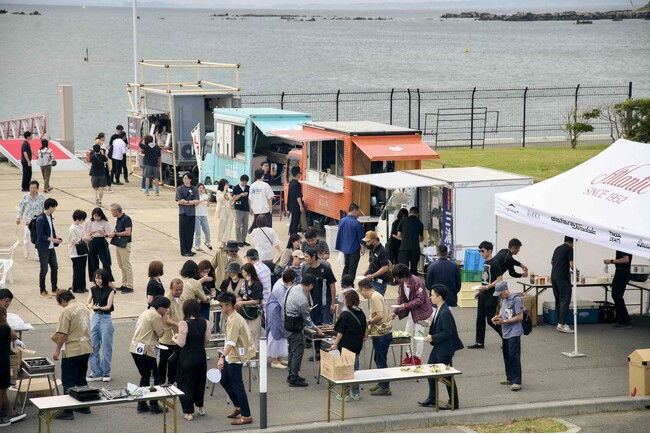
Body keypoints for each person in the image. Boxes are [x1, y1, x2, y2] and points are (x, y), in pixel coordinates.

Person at [418, 284, 463, 409]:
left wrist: (432, 337)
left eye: (432, 295)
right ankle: (432, 397)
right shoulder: (439, 309)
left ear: (439, 297)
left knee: (447, 376)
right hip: (438, 347)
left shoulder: (445, 312)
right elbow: (440, 325)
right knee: (430, 371)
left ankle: (454, 402)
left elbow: (447, 332)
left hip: (444, 349)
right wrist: (430, 324)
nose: (430, 297)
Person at [52, 290, 93, 420]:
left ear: (63, 300)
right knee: (81, 378)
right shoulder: (84, 308)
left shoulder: (67, 311)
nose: (62, 306)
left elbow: (62, 333)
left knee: (68, 380)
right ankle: (84, 405)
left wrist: (57, 350)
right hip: (85, 347)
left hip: (72, 349)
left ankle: (67, 411)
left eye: (61, 304)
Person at [217, 292, 256, 426]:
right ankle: (238, 406)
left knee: (238, 386)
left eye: (221, 305)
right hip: (231, 355)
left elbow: (231, 342)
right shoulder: (233, 317)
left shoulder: (234, 320)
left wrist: (221, 357)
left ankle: (246, 415)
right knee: (224, 379)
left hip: (235, 357)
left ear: (229, 306)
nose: (220, 308)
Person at [129, 295, 169, 414]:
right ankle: (153, 404)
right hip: (146, 350)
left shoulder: (145, 312)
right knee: (153, 378)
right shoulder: (156, 316)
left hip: (135, 348)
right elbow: (161, 333)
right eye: (166, 309)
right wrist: (163, 320)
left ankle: (141, 403)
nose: (166, 311)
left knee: (145, 377)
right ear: (160, 307)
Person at [173, 299, 210, 421]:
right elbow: (206, 340)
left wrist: (175, 339)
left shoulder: (184, 323)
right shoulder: (206, 322)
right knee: (200, 382)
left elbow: (182, 343)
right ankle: (200, 407)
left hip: (187, 358)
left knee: (187, 384)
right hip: (200, 356)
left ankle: (188, 412)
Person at [283, 274, 322, 387]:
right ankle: (294, 378)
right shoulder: (302, 299)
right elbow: (307, 318)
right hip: (294, 326)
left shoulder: (293, 288)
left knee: (291, 350)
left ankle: (291, 374)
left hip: (286, 322)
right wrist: (316, 328)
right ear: (311, 285)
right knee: (298, 352)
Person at [391, 264, 433, 366]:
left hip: (422, 313)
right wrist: (395, 312)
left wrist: (405, 306)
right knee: (407, 333)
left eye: (397, 277)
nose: (396, 280)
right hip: (412, 312)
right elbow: (400, 298)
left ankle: (417, 358)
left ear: (403, 275)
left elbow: (420, 300)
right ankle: (409, 356)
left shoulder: (417, 282)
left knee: (419, 336)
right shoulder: (402, 283)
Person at [358, 278, 393, 396]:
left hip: (381, 334)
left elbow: (379, 315)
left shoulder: (374, 297)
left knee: (381, 360)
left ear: (363, 289)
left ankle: (385, 386)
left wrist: (369, 322)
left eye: (360, 291)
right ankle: (381, 383)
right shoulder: (376, 295)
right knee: (379, 359)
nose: (360, 294)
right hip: (382, 333)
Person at [303, 248, 337, 359]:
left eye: (307, 256)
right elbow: (306, 289)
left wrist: (332, 303)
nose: (305, 259)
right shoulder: (307, 270)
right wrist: (307, 304)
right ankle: (318, 352)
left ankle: (328, 351)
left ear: (313, 257)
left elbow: (332, 286)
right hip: (314, 306)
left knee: (327, 328)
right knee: (316, 328)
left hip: (325, 305)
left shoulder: (325, 269)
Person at [332, 289, 366, 402]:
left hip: (346, 347)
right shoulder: (361, 313)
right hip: (357, 346)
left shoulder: (345, 314)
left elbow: (340, 332)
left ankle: (345, 394)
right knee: (355, 370)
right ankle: (355, 393)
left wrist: (335, 344)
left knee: (346, 370)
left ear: (347, 301)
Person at [468, 241, 503, 349]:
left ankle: (506, 336)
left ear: (489, 251)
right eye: (480, 251)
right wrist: (480, 291)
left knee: (491, 320)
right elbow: (485, 280)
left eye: (482, 251)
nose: (481, 253)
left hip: (491, 295)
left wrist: (487, 288)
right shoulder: (485, 262)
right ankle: (479, 342)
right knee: (480, 318)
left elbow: (500, 279)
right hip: (484, 294)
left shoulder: (495, 263)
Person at [491, 281, 524, 392]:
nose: (500, 296)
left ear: (506, 290)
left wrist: (505, 321)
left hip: (514, 331)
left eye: (501, 293)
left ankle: (517, 381)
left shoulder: (516, 299)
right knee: (506, 355)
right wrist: (497, 317)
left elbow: (520, 316)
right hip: (505, 331)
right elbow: (502, 312)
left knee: (514, 355)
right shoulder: (504, 299)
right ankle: (509, 377)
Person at [86, 269, 116, 382]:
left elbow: (108, 306)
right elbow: (88, 303)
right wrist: (91, 306)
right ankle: (96, 372)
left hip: (106, 318)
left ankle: (106, 372)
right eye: (96, 278)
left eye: (100, 278)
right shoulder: (92, 289)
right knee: (93, 346)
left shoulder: (110, 290)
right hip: (95, 317)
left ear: (105, 279)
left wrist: (98, 307)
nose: (98, 280)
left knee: (106, 347)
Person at [0, 306, 27, 427]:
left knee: (3, 391)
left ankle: (10, 412)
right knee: (1, 390)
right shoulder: (4, 328)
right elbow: (14, 336)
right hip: (2, 364)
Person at [266, 269, 296, 369]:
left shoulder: (282, 282)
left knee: (282, 333)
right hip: (275, 311)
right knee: (275, 334)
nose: (293, 284)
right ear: (287, 280)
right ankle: (274, 360)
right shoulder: (279, 288)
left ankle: (279, 358)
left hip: (279, 310)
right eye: (292, 282)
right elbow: (284, 304)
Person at [36, 198, 63, 298]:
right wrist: (52, 239)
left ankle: (54, 288)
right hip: (43, 247)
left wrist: (55, 239)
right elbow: (40, 235)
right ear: (50, 207)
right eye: (54, 206)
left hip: (51, 247)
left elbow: (52, 229)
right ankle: (42, 289)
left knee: (55, 267)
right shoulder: (41, 219)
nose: (55, 209)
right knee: (44, 269)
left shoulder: (50, 216)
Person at [158, 279, 183, 385]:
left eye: (181, 290)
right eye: (176, 290)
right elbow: (165, 319)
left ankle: (172, 380)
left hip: (178, 337)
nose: (179, 292)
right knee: (164, 361)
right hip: (167, 337)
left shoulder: (183, 298)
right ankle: (160, 381)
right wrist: (178, 324)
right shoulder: (166, 300)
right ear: (171, 288)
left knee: (175, 361)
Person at [335, 203, 366, 280]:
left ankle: (344, 282)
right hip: (354, 249)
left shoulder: (342, 221)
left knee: (346, 266)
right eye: (358, 211)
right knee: (352, 268)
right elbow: (361, 237)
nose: (359, 213)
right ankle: (349, 283)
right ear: (354, 211)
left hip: (345, 248)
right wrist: (362, 248)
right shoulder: (356, 223)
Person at [551, 236, 575, 334]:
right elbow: (572, 265)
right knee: (565, 300)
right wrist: (575, 271)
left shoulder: (557, 248)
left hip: (554, 277)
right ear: (571, 241)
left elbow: (552, 262)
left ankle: (559, 322)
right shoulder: (570, 249)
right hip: (563, 278)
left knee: (558, 300)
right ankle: (562, 324)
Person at [16, 180, 45, 260]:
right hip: (28, 221)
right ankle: (26, 251)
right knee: (27, 238)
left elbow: (44, 209)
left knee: (38, 239)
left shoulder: (42, 197)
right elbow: (21, 208)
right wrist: (19, 217)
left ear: (37, 188)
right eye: (31, 188)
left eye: (34, 188)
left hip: (38, 221)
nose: (32, 189)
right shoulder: (25, 197)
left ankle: (38, 255)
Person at [108, 203, 134, 293]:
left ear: (117, 211)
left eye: (112, 211)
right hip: (119, 244)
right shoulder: (119, 219)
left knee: (126, 265)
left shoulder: (126, 219)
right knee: (121, 265)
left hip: (125, 244)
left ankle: (130, 285)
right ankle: (124, 283)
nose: (111, 212)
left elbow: (128, 232)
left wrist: (115, 234)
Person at [85, 207, 113, 286]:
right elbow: (85, 232)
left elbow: (109, 234)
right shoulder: (89, 221)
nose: (97, 218)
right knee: (93, 261)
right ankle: (95, 279)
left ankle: (108, 279)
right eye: (95, 216)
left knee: (105, 261)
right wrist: (91, 232)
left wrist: (104, 233)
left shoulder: (104, 222)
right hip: (92, 241)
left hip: (101, 241)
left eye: (98, 216)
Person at [237, 263, 263, 349]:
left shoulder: (257, 284)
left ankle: (255, 355)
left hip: (254, 312)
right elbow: (241, 296)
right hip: (244, 312)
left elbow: (256, 300)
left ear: (249, 272)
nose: (243, 274)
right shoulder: (244, 282)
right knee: (245, 333)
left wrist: (243, 303)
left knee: (254, 334)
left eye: (244, 272)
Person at [605, 250, 633, 328]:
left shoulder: (624, 247)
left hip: (622, 273)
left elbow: (626, 259)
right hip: (621, 272)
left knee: (616, 296)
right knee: (617, 296)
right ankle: (624, 318)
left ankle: (625, 320)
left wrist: (611, 261)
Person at [176, 173, 201, 256]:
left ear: (190, 179)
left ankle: (189, 248)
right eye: (184, 178)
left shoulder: (194, 189)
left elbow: (197, 201)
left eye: (186, 178)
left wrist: (187, 202)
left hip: (192, 213)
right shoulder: (180, 189)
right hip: (183, 213)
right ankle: (184, 250)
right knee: (183, 233)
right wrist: (190, 202)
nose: (185, 180)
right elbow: (179, 201)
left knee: (190, 232)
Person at [67, 210, 91, 294]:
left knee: (82, 270)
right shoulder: (72, 228)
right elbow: (73, 240)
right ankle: (76, 287)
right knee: (77, 271)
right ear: (78, 218)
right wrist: (84, 238)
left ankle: (82, 286)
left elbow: (84, 235)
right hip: (75, 253)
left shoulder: (80, 227)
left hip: (83, 251)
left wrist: (88, 236)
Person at [397, 206, 424, 275]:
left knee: (404, 268)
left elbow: (399, 234)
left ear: (409, 212)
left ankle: (404, 284)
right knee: (414, 268)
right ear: (417, 214)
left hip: (404, 248)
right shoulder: (420, 223)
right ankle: (413, 284)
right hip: (415, 248)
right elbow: (421, 238)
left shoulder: (403, 221)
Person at [362, 230, 391, 296]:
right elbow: (371, 263)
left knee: (377, 300)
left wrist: (372, 275)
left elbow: (385, 267)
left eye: (368, 241)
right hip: (372, 280)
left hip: (379, 281)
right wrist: (366, 271)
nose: (367, 244)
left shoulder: (382, 251)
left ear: (374, 241)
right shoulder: (372, 250)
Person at [248, 168, 274, 232]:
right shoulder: (265, 185)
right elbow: (269, 197)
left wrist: (250, 208)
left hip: (256, 209)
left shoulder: (252, 186)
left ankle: (253, 232)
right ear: (262, 176)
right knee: (267, 226)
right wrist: (270, 207)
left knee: (257, 226)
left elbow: (250, 198)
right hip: (265, 209)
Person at [231, 174, 251, 247]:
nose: (244, 184)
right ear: (241, 181)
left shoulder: (248, 188)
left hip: (246, 208)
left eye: (245, 182)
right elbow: (233, 198)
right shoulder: (236, 188)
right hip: (238, 208)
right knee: (238, 225)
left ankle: (243, 240)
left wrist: (250, 208)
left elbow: (249, 199)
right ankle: (238, 240)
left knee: (245, 225)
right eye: (243, 182)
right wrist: (240, 195)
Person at [215, 178, 234, 247]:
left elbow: (230, 202)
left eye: (227, 184)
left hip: (229, 209)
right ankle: (222, 242)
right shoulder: (219, 192)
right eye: (226, 184)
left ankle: (224, 240)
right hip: (222, 210)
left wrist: (233, 199)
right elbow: (220, 199)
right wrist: (224, 191)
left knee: (229, 225)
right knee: (222, 226)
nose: (227, 186)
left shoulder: (228, 192)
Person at [194, 183, 212, 252]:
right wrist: (201, 200)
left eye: (202, 188)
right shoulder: (195, 196)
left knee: (207, 230)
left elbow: (208, 205)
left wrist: (207, 201)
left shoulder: (205, 195)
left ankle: (207, 242)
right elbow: (195, 204)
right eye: (199, 188)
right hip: (197, 215)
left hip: (204, 215)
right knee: (198, 231)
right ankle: (197, 245)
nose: (201, 189)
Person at [287, 166, 305, 235]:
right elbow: (298, 196)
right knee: (295, 223)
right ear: (298, 174)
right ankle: (293, 238)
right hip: (296, 207)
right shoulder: (297, 184)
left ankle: (292, 237)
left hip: (291, 206)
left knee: (292, 223)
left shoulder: (291, 182)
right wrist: (301, 206)